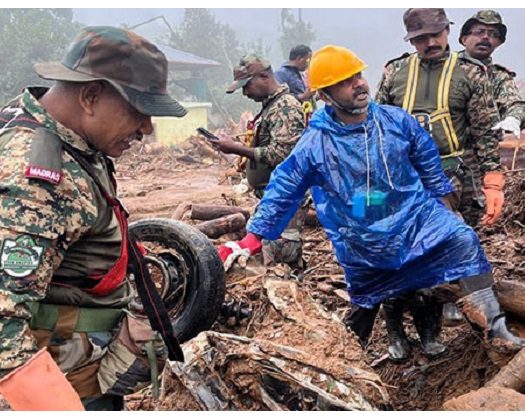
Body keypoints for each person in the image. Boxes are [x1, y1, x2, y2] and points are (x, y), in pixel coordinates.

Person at [218, 45, 524, 361]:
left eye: (358, 76)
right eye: (345, 81)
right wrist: (252, 238)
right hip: (363, 236)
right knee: (367, 298)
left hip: (414, 218)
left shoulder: (394, 121)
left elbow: (426, 157)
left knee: (463, 241)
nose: (359, 84)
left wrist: (443, 201)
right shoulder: (316, 143)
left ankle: (495, 329)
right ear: (325, 95)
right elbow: (284, 187)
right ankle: (346, 360)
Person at [0, 26, 187, 410]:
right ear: (90, 96)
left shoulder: (71, 139)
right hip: (60, 388)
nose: (147, 129)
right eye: (140, 111)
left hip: (83, 368)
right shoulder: (38, 179)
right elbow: (4, 328)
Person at [375, 8, 507, 359]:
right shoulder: (395, 72)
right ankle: (395, 332)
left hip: (454, 176)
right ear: (410, 40)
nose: (429, 43)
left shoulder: (470, 74)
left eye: (435, 35)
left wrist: (493, 180)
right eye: (420, 38)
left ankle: (433, 329)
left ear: (448, 31)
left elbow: (484, 132)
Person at [215, 54, 305, 269]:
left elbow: (285, 155)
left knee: (283, 254)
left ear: (264, 76)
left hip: (285, 197)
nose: (245, 93)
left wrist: (236, 148)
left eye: (247, 86)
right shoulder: (271, 107)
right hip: (271, 196)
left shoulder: (286, 107)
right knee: (266, 252)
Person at [459, 10, 525, 139]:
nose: (485, 37)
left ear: (498, 43)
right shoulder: (447, 68)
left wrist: (514, 118)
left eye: (493, 34)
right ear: (464, 39)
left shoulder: (499, 76)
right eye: (479, 32)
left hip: (484, 154)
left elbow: (515, 103)